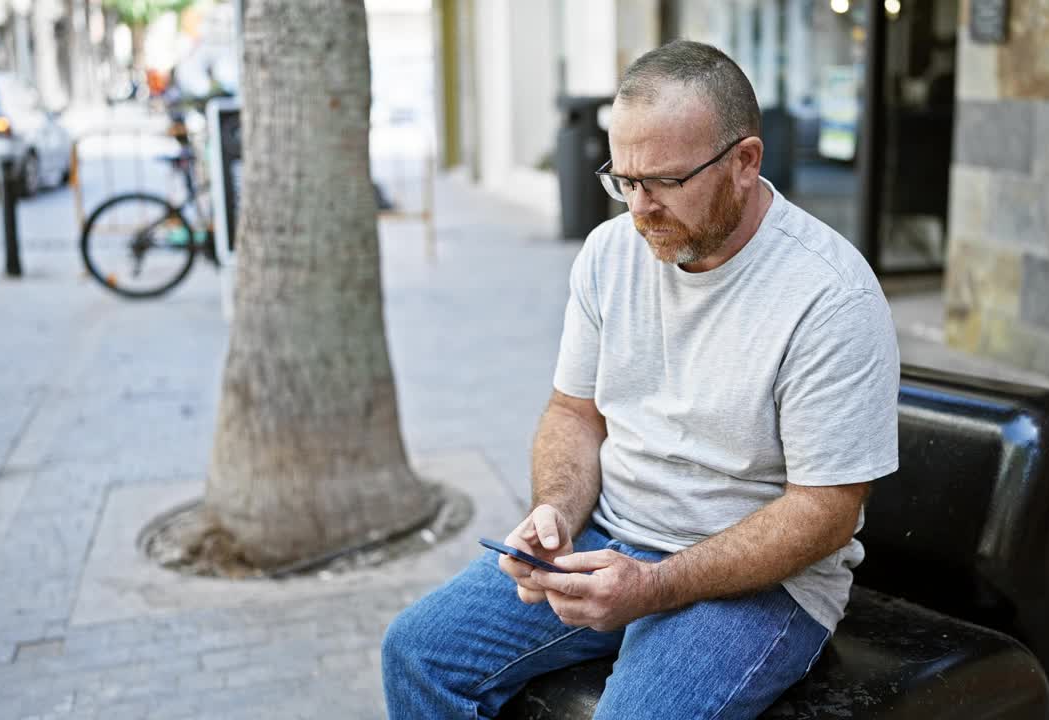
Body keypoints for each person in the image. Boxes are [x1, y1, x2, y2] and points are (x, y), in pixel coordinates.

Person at [381, 39, 899, 720]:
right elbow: (574, 412)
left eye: (664, 182)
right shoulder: (609, 253)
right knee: (415, 652)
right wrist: (557, 514)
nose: (639, 207)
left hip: (762, 585)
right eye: (624, 180)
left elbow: (825, 512)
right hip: (610, 534)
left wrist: (654, 586)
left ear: (744, 162)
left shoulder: (830, 296)